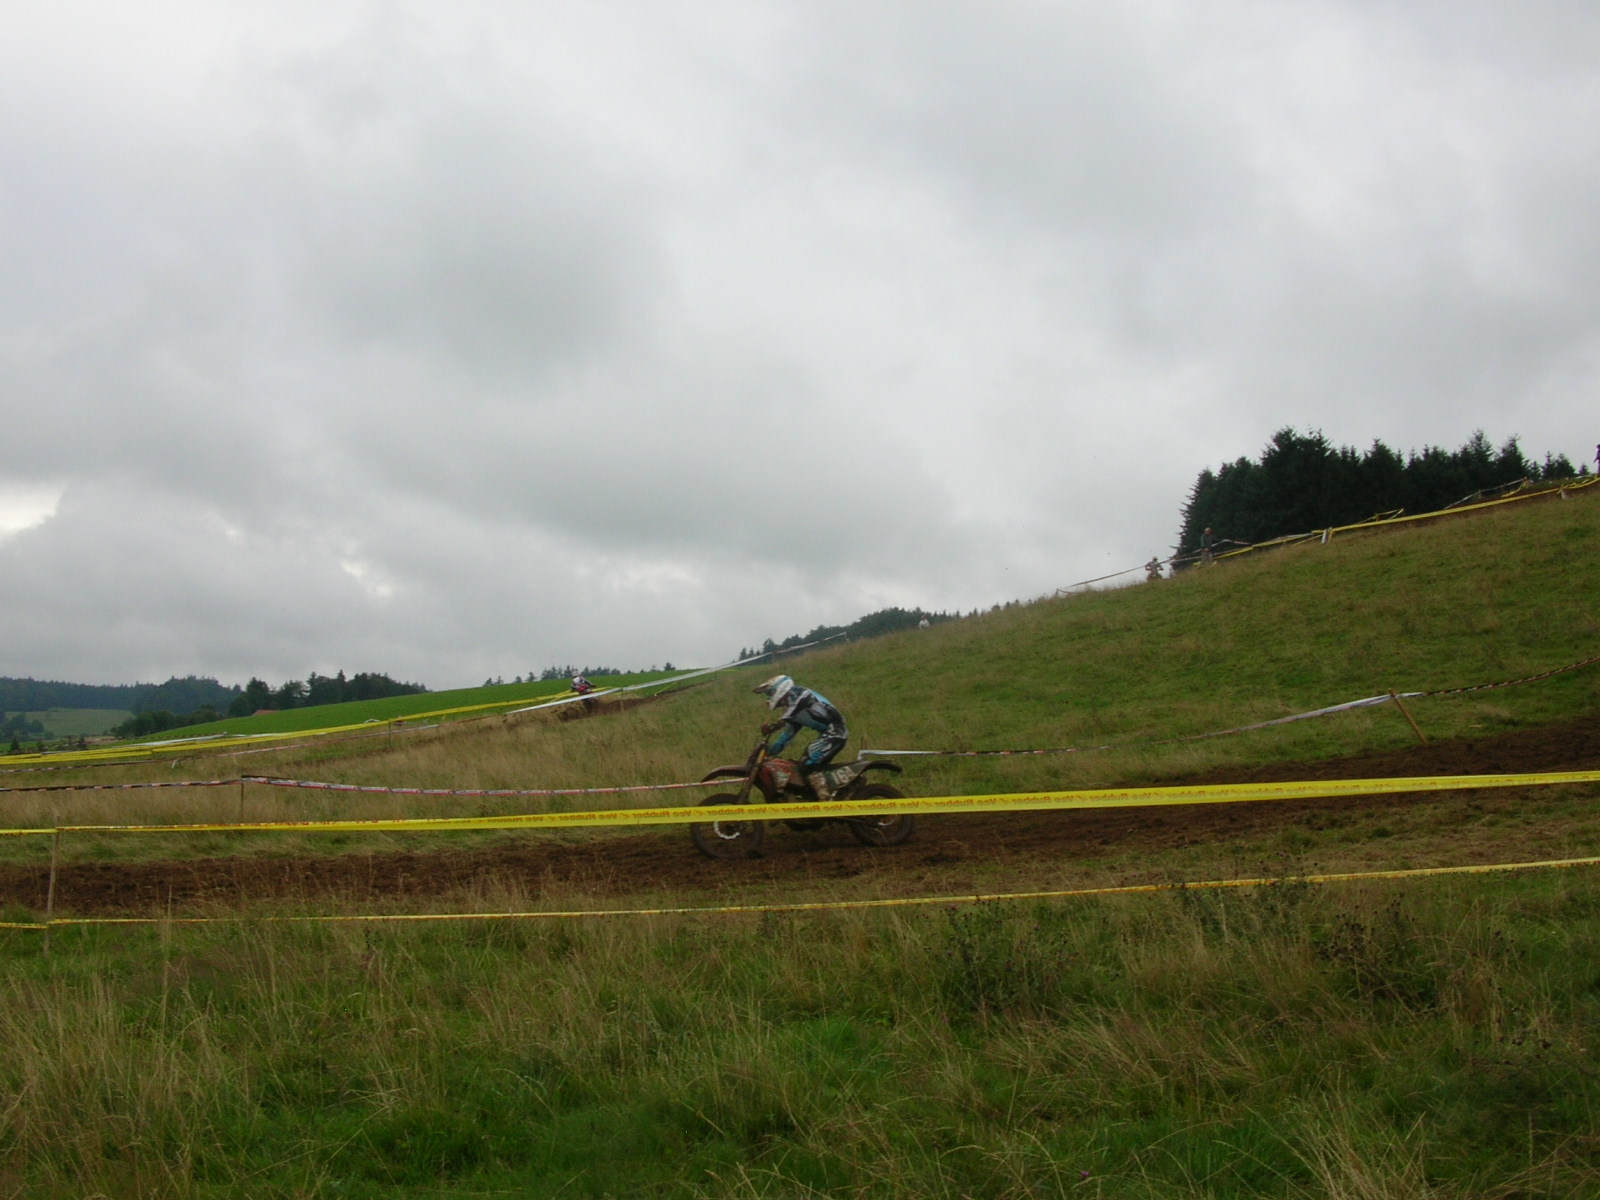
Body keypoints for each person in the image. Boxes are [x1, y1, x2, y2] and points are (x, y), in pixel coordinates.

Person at [752, 674, 850, 801]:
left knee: (808, 763)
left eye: (770, 693)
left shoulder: (801, 694)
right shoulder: (793, 712)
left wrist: (776, 724)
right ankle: (814, 797)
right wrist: (770, 751)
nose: (770, 698)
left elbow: (794, 708)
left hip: (836, 732)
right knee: (801, 767)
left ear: (779, 689)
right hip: (829, 734)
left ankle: (826, 801)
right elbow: (786, 736)